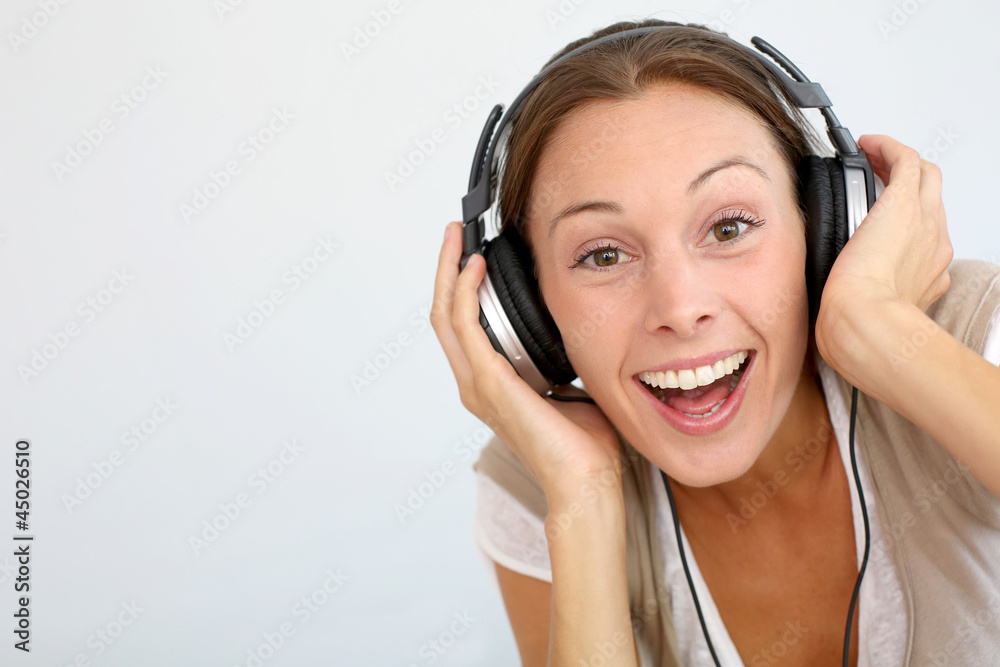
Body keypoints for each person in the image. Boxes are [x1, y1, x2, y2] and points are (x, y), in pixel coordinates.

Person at [431, 19, 1000, 667]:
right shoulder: (539, 485)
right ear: (525, 309)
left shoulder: (964, 337)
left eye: (729, 227)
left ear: (828, 229)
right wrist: (583, 497)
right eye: (604, 253)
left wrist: (877, 329)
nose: (679, 308)